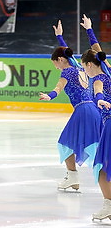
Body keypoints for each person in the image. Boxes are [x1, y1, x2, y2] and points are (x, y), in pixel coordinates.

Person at [39, 19, 103, 192]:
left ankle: (73, 177)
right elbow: (68, 54)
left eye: (55, 64)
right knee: (95, 144)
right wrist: (59, 37)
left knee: (65, 143)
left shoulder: (67, 71)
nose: (57, 68)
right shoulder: (78, 67)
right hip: (94, 109)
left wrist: (49, 96)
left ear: (60, 60)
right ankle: (73, 178)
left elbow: (58, 88)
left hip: (82, 111)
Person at [80, 14, 111, 221]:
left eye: (83, 66)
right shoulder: (107, 69)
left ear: (89, 65)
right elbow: (98, 50)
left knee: (101, 166)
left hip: (109, 124)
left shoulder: (99, 78)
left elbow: (99, 90)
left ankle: (108, 205)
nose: (83, 70)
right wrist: (90, 30)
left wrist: (99, 99)